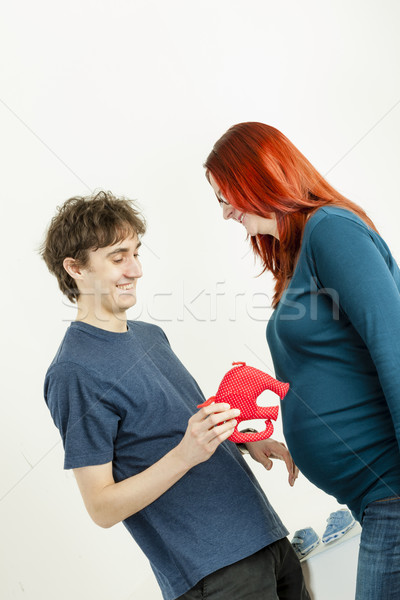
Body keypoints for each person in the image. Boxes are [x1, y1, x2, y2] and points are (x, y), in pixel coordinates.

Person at [40, 190, 310, 600]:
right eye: (118, 257)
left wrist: (241, 441)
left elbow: (171, 432)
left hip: (266, 537)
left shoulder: (150, 336)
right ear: (75, 268)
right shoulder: (72, 372)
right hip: (214, 574)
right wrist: (187, 452)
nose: (136, 269)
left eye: (136, 252)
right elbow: (102, 507)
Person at [204, 121, 400, 600]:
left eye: (226, 194)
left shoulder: (331, 230)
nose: (226, 211)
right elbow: (332, 358)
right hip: (373, 498)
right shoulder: (295, 255)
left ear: (260, 176)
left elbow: (392, 342)